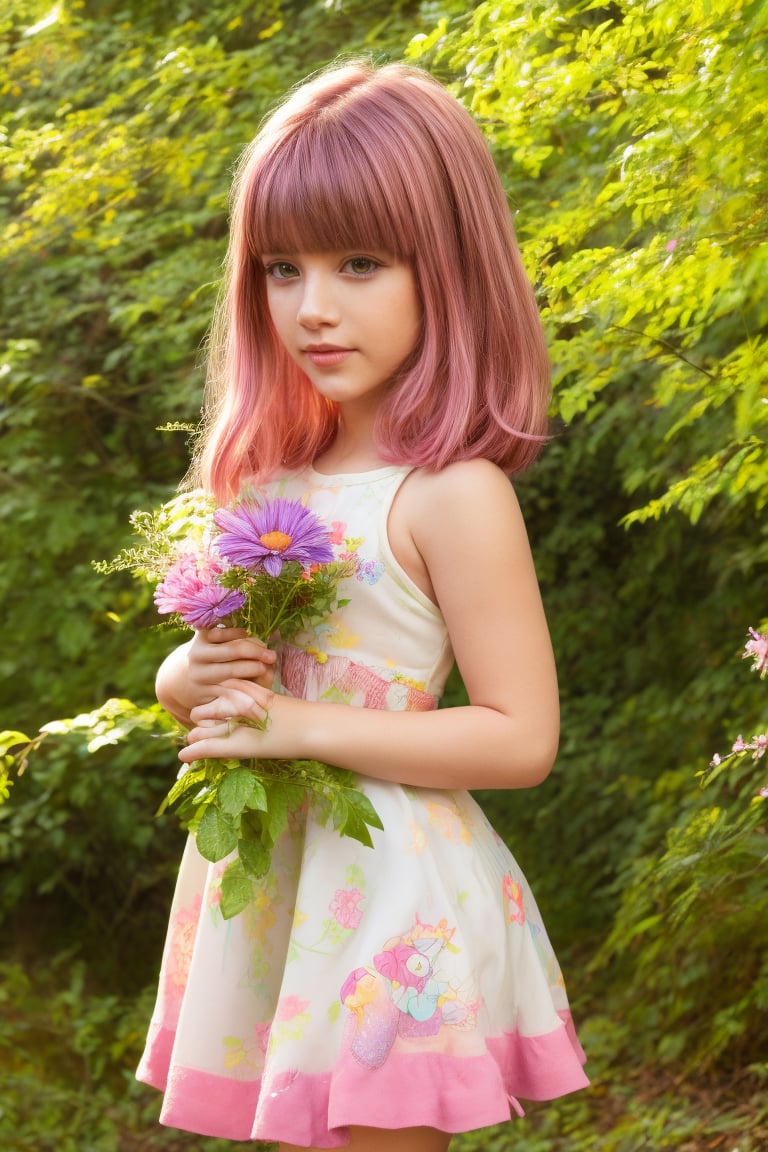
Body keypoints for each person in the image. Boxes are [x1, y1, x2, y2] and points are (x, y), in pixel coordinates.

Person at [136, 60, 588, 1152]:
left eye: (361, 264)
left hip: (389, 886)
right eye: (282, 269)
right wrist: (183, 682)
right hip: (271, 872)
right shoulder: (266, 483)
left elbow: (520, 736)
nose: (313, 307)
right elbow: (225, 681)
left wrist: (296, 727)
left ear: (448, 269)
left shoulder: (451, 495)